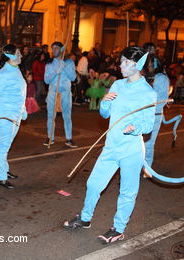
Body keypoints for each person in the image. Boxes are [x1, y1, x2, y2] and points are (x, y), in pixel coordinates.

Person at [64, 46, 157, 245]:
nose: (120, 65)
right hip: (111, 146)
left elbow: (149, 124)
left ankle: (118, 229)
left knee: (127, 191)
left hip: (131, 149)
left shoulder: (148, 92)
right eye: (121, 61)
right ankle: (85, 218)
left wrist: (135, 127)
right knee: (93, 183)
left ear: (137, 65)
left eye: (125, 62)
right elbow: (105, 114)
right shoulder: (117, 85)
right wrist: (105, 102)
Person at [0, 44, 27, 189]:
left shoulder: (16, 70)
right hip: (4, 116)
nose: (21, 56)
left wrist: (23, 109)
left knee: (8, 145)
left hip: (15, 115)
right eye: (18, 53)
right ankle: (1, 177)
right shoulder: (2, 75)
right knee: (3, 146)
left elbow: (21, 92)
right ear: (10, 56)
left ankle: (5, 169)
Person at [44, 42, 77, 148]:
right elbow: (46, 80)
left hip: (65, 93)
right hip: (53, 92)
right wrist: (56, 70)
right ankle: (50, 137)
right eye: (52, 48)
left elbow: (73, 78)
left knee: (67, 116)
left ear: (61, 49)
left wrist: (65, 67)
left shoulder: (69, 62)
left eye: (56, 48)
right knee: (50, 116)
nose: (53, 50)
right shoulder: (49, 63)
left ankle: (69, 138)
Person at [143, 43, 169, 166]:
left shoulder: (161, 78)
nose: (148, 67)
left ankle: (147, 169)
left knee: (149, 143)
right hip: (143, 114)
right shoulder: (145, 78)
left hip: (154, 115)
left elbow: (161, 100)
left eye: (150, 65)